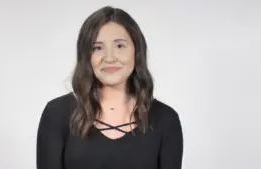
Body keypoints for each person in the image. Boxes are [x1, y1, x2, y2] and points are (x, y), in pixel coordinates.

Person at [36, 6, 183, 169]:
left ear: (137, 51)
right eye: (98, 47)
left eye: (120, 46)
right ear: (86, 56)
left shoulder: (166, 120)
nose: (110, 58)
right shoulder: (57, 114)